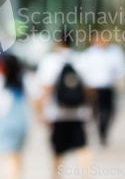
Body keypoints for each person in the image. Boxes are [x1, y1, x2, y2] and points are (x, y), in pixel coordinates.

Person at [36, 31, 91, 179]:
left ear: (59, 41)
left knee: (58, 150)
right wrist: (89, 110)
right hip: (78, 112)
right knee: (82, 147)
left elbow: (46, 89)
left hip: (57, 113)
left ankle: (56, 176)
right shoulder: (82, 59)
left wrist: (42, 112)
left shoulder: (50, 60)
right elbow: (88, 89)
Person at [0, 54, 36, 179]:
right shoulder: (25, 79)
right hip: (22, 123)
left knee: (8, 157)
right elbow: (36, 99)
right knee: (18, 156)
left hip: (5, 123)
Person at [78, 30, 125, 146]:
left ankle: (103, 130)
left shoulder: (115, 52)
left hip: (108, 87)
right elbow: (81, 72)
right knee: (96, 111)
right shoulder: (88, 54)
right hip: (93, 88)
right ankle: (98, 131)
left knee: (109, 111)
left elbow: (123, 68)